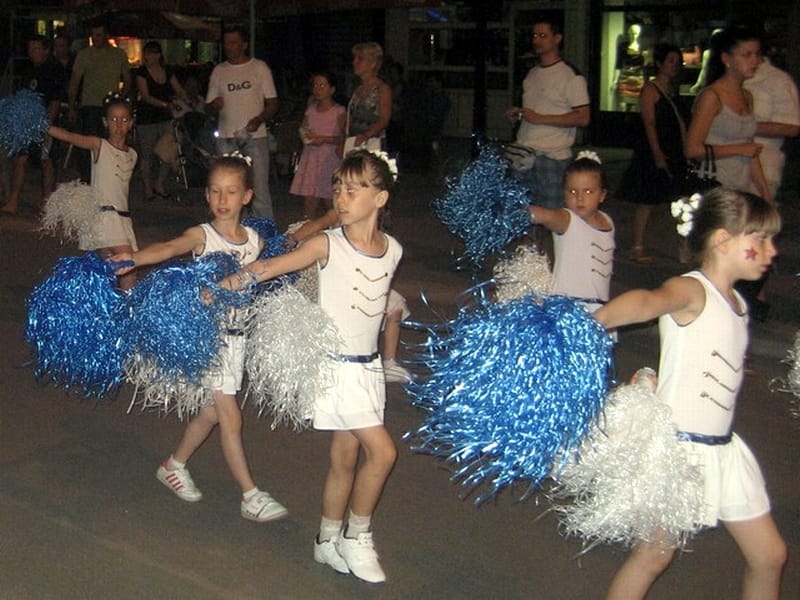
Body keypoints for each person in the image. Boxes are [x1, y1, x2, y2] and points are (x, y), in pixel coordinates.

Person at [594, 187, 786, 599]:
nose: (771, 251)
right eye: (761, 239)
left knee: (769, 556)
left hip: (725, 451)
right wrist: (595, 321)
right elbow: (648, 301)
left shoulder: (737, 302)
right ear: (722, 240)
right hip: (680, 456)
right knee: (653, 556)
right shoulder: (692, 290)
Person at [226, 149, 402, 583]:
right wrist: (216, 289)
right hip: (335, 371)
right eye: (338, 187)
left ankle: (327, 540)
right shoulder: (327, 244)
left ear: (380, 198)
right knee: (382, 452)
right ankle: (358, 537)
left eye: (354, 188)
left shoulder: (393, 250)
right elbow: (268, 267)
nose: (341, 196)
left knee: (345, 457)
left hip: (368, 371)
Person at [111, 154, 288, 523]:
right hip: (210, 340)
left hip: (237, 339)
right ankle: (250, 495)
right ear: (207, 195)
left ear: (247, 196)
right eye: (216, 191)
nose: (223, 199)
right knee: (229, 415)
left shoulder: (255, 241)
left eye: (232, 191)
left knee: (210, 414)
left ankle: (173, 465)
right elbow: (168, 248)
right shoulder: (201, 236)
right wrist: (134, 260)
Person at [287, 205, 412, 384]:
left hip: (367, 282)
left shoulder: (378, 227)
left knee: (396, 306)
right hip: (338, 281)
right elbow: (315, 225)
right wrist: (293, 238)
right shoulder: (336, 218)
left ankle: (389, 362)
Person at [49, 93, 138, 291]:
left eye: (124, 120)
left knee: (107, 270)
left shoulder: (133, 155)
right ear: (105, 122)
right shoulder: (99, 146)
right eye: (113, 119)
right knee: (128, 266)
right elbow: (70, 136)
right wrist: (43, 127)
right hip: (105, 217)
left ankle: (103, 309)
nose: (119, 125)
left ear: (131, 123)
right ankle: (129, 313)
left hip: (123, 220)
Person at [504, 15, 590, 210]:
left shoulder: (570, 76)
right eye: (535, 35)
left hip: (552, 156)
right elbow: (536, 109)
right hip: (524, 153)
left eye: (543, 35)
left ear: (557, 38)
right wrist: (518, 113)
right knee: (521, 211)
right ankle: (529, 242)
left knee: (553, 213)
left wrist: (541, 119)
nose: (537, 40)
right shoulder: (532, 74)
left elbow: (583, 117)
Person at [618, 43, 689, 263]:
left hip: (674, 148)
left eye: (677, 62)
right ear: (659, 63)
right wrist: (657, 151)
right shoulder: (650, 89)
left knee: (681, 199)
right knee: (648, 199)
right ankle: (637, 245)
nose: (674, 66)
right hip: (654, 150)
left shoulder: (671, 89)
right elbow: (649, 123)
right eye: (670, 61)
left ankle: (684, 246)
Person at [685, 26, 770, 202]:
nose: (755, 61)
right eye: (746, 55)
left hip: (740, 187)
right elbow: (692, 149)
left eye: (757, 54)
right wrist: (740, 149)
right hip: (714, 186)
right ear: (726, 59)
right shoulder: (712, 96)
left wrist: (765, 194)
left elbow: (751, 150)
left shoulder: (747, 96)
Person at [526, 151, 614, 315]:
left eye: (588, 191)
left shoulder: (608, 221)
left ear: (602, 194)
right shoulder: (567, 220)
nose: (580, 198)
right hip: (566, 311)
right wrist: (511, 210)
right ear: (564, 193)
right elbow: (543, 214)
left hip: (599, 311)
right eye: (572, 191)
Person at [206, 25, 278, 219]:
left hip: (254, 136)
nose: (229, 47)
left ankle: (268, 237)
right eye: (226, 43)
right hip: (226, 137)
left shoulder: (259, 68)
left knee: (259, 191)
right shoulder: (219, 71)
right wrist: (214, 105)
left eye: (233, 42)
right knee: (228, 189)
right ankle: (232, 233)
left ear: (244, 44)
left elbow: (272, 103)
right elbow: (208, 107)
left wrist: (259, 119)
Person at [1, 35, 65, 216]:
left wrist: (46, 126)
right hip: (26, 124)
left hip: (46, 123)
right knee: (20, 160)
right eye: (30, 49)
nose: (32, 53)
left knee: (46, 161)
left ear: (46, 50)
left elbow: (55, 100)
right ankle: (13, 200)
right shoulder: (29, 70)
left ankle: (46, 204)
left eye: (36, 49)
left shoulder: (54, 69)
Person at [67, 19, 132, 184]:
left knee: (112, 144)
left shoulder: (118, 55)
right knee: (89, 145)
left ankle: (110, 179)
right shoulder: (85, 55)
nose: (95, 38)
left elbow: (128, 79)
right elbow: (74, 82)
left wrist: (121, 100)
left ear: (106, 36)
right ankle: (88, 180)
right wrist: (72, 107)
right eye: (93, 35)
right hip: (90, 106)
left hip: (110, 106)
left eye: (99, 35)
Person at [135, 41, 190, 202]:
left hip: (165, 118)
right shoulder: (142, 72)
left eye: (150, 54)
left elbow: (178, 89)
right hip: (147, 118)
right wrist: (165, 104)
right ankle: (147, 188)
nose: (147, 57)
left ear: (158, 55)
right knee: (147, 154)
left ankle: (159, 184)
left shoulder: (167, 71)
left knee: (168, 152)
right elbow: (145, 96)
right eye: (146, 54)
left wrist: (187, 99)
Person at [289, 71, 346, 220]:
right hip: (312, 157)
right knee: (309, 198)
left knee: (329, 198)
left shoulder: (339, 111)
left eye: (322, 85)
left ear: (332, 89)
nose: (318, 89)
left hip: (329, 158)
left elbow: (343, 138)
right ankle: (308, 229)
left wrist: (324, 139)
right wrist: (306, 136)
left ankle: (336, 231)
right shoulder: (311, 109)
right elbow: (303, 128)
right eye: (315, 85)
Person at [743, 54, 800, 201]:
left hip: (764, 161)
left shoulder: (776, 80)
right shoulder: (719, 85)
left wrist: (742, 127)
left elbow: (792, 127)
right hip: (726, 166)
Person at [345, 42, 392, 153]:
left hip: (372, 144)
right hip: (353, 142)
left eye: (360, 59)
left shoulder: (382, 89)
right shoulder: (357, 90)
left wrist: (366, 135)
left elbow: (384, 119)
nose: (354, 62)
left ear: (373, 63)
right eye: (355, 58)